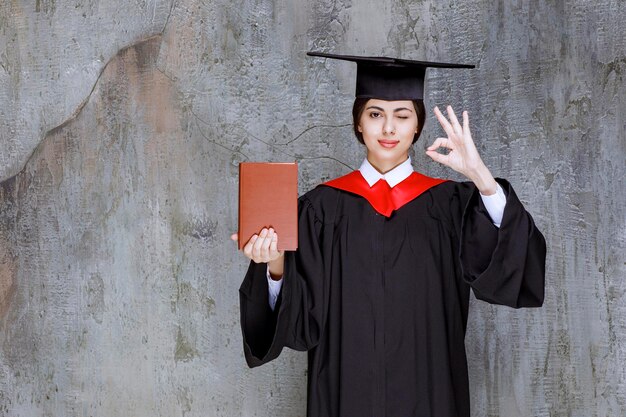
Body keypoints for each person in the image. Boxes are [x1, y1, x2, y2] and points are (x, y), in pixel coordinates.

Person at [232, 52, 546, 417]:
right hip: (344, 395)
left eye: (402, 115)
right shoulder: (321, 209)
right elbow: (299, 325)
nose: (388, 129)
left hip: (429, 393)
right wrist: (274, 265)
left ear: (417, 126)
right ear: (359, 124)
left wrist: (482, 178)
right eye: (375, 114)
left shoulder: (450, 206)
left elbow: (508, 268)